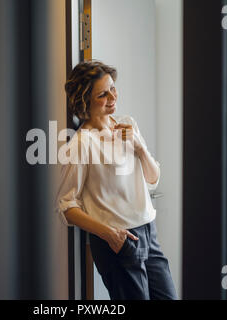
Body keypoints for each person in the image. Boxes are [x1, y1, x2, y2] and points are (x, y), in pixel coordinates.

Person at [55, 60, 177, 300]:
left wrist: (140, 148)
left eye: (113, 88)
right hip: (117, 240)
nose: (112, 97)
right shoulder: (81, 144)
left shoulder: (128, 124)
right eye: (103, 94)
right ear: (85, 102)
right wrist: (110, 234)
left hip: (148, 232)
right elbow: (66, 206)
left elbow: (153, 178)